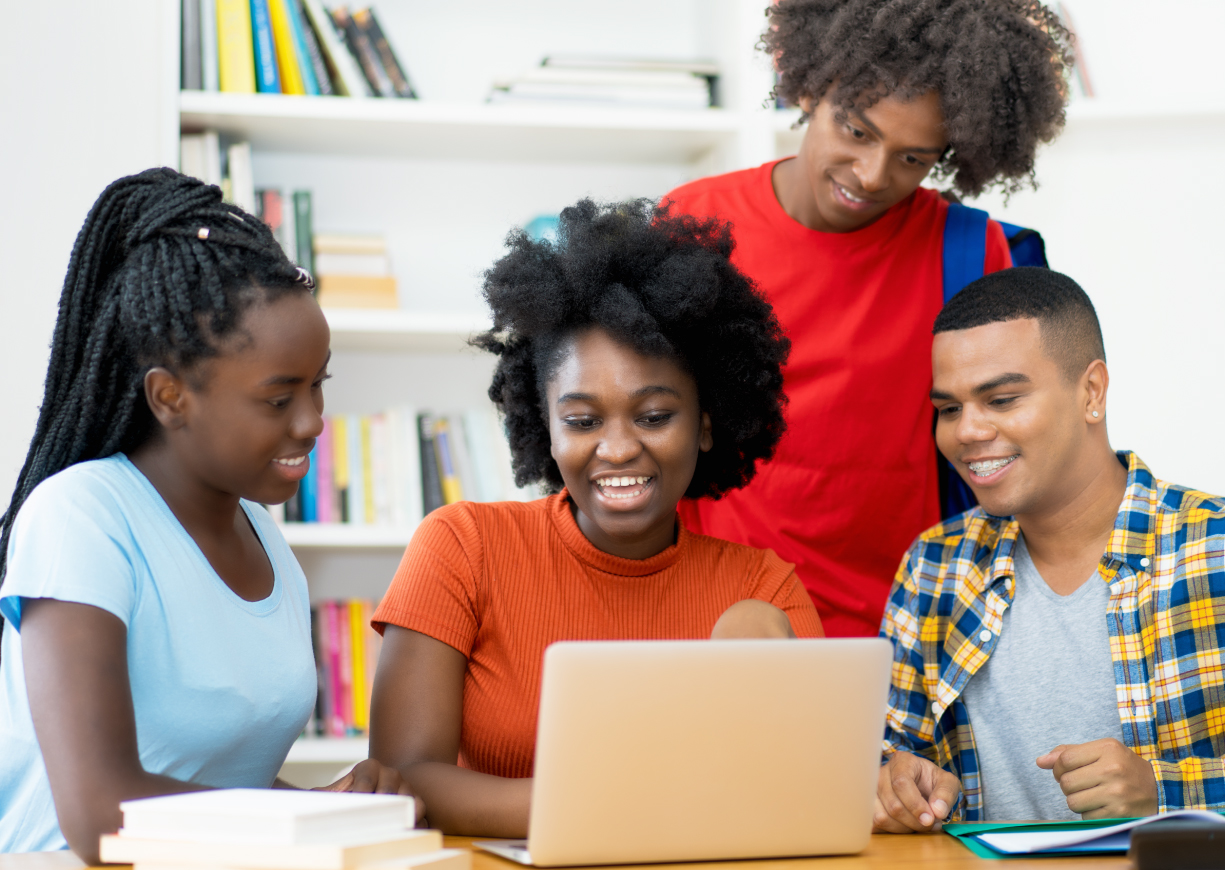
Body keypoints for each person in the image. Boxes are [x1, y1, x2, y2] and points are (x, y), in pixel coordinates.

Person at [367, 199, 825, 838]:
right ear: (545, 430)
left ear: (707, 424)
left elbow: (803, 789)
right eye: (582, 421)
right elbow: (400, 780)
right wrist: (632, 803)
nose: (616, 449)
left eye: (655, 416)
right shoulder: (462, 544)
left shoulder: (763, 589)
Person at [0, 169, 417, 861]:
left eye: (319, 386)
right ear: (170, 397)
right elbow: (101, 814)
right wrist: (303, 823)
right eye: (279, 399)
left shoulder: (266, 542)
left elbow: (214, 785)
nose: (314, 422)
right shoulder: (80, 520)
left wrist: (328, 806)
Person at [664, 0, 1072, 636]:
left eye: (914, 158)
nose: (873, 175)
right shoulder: (695, 225)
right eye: (856, 131)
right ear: (809, 86)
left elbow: (1010, 441)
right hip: (716, 615)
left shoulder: (967, 252)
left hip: (903, 629)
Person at [875, 267, 1225, 831]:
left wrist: (1165, 792)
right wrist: (900, 785)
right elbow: (885, 755)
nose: (967, 431)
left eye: (1000, 399)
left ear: (1091, 392)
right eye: (948, 409)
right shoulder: (932, 567)